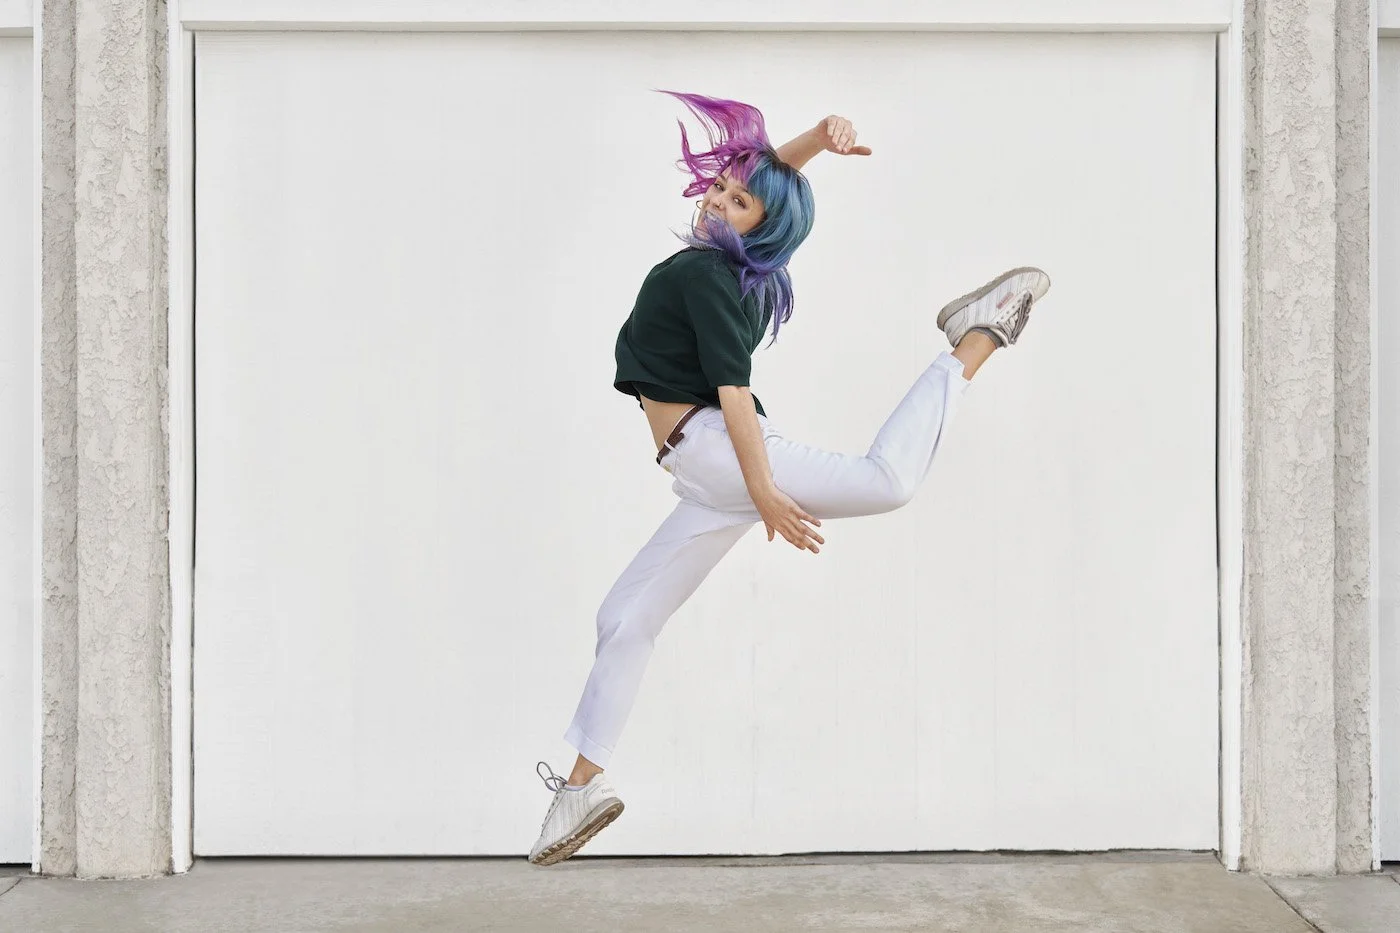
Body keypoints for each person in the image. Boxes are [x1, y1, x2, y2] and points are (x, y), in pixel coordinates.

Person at [527, 92, 1050, 866]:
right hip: (703, 471)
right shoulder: (715, 262)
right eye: (719, 187)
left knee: (887, 481)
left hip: (720, 452)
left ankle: (976, 335)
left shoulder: (707, 277)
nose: (717, 199)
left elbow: (734, 396)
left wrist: (766, 490)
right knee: (623, 619)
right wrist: (812, 141)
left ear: (757, 226)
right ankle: (578, 791)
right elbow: (767, 192)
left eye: (736, 201)